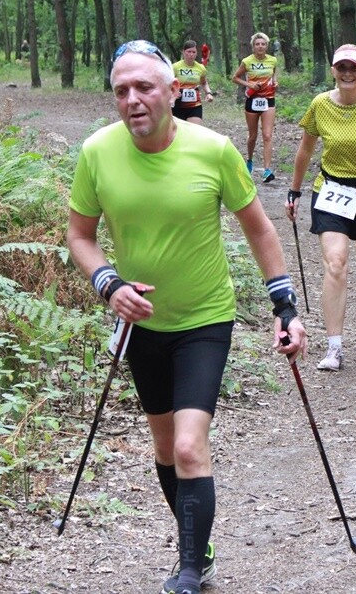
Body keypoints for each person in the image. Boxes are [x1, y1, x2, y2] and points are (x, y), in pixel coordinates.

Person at [66, 39, 307, 594]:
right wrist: (109, 284)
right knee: (163, 448)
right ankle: (201, 542)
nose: (133, 100)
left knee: (188, 446)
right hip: (141, 325)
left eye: (145, 87)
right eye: (122, 90)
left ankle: (191, 569)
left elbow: (259, 228)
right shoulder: (97, 152)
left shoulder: (214, 149)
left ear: (173, 92)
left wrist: (284, 304)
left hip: (203, 320)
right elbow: (80, 236)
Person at [286, 44, 356, 371]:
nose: (348, 73)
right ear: (333, 71)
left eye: (354, 68)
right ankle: (334, 347)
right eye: (342, 68)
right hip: (331, 189)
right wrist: (294, 192)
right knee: (335, 263)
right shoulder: (320, 104)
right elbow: (305, 152)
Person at [231, 32, 278, 182]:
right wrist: (249, 84)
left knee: (267, 135)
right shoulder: (247, 61)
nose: (260, 46)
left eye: (263, 44)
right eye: (257, 44)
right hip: (252, 100)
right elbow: (235, 78)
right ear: (253, 46)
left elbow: (274, 75)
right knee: (253, 136)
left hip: (268, 100)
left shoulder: (273, 60)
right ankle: (250, 160)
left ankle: (267, 170)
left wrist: (275, 82)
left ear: (266, 46)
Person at [172, 40, 214, 125]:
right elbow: (167, 83)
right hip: (178, 105)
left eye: (194, 52)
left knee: (195, 132)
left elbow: (204, 82)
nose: (191, 54)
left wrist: (209, 93)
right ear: (183, 52)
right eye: (189, 52)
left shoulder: (201, 68)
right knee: (180, 133)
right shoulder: (175, 67)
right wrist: (173, 92)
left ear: (196, 53)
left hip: (195, 105)